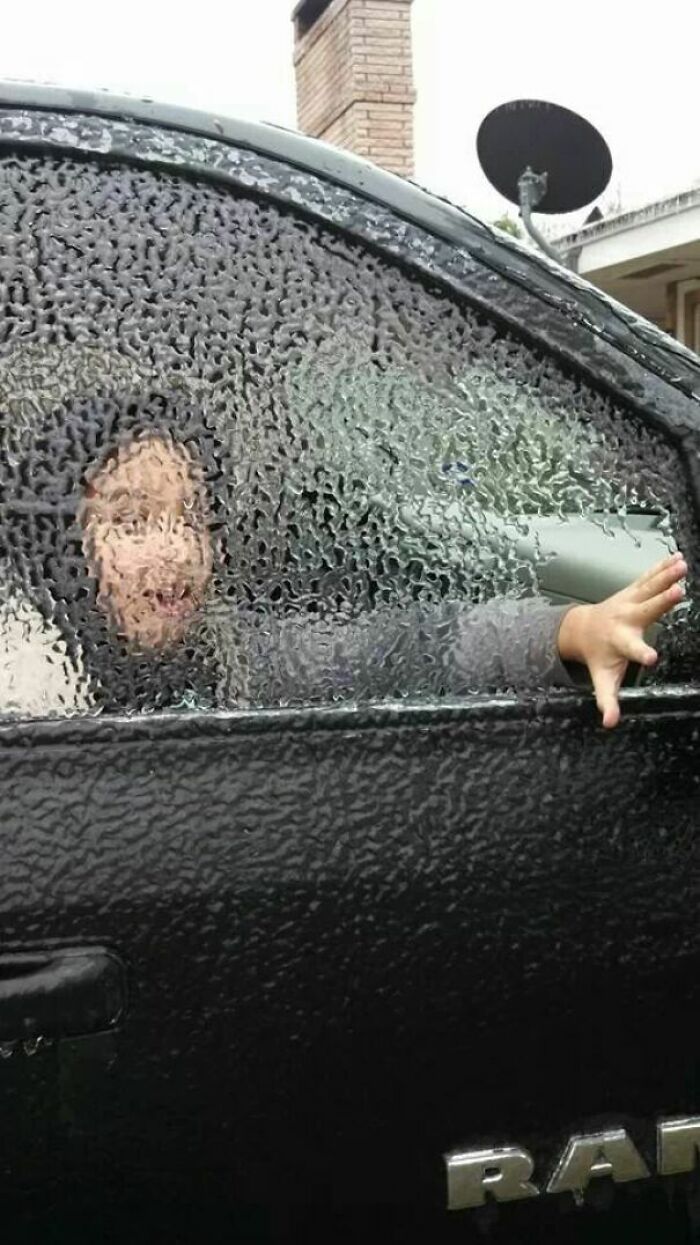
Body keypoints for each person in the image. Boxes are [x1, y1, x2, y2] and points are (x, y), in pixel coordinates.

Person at [0, 390, 686, 726]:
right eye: (130, 518)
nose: (179, 550)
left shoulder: (233, 653)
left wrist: (568, 632)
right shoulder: (21, 691)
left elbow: (414, 648)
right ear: (61, 541)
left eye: (197, 516)